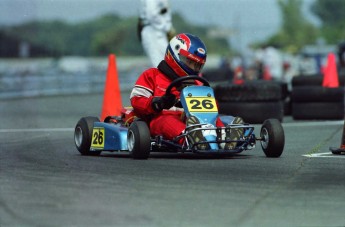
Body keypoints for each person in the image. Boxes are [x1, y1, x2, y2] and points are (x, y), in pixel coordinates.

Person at [130, 33, 243, 150]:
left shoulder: (198, 83)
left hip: (193, 120)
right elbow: (136, 100)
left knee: (214, 118)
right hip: (159, 118)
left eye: (197, 65)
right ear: (175, 54)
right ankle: (190, 138)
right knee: (166, 121)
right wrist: (158, 102)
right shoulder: (152, 75)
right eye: (190, 62)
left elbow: (210, 108)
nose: (193, 68)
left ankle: (225, 139)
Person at [138, 0, 175, 67]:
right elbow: (152, 15)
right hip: (153, 31)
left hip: (159, 31)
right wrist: (167, 28)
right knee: (159, 65)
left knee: (167, 63)